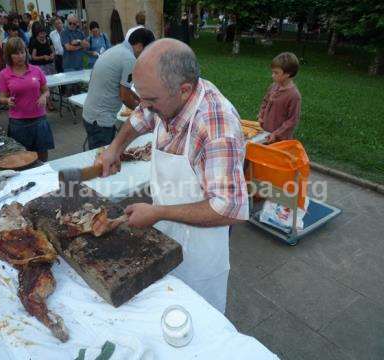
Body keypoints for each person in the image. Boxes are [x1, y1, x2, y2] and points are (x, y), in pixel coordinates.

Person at [98, 39, 248, 313]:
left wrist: (159, 212)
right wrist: (115, 148)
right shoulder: (162, 98)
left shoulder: (217, 129)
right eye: (141, 96)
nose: (144, 105)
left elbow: (230, 209)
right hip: (164, 230)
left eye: (151, 100)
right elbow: (139, 118)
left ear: (184, 90)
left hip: (200, 251)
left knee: (196, 321)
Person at [83, 28, 155, 150]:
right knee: (102, 162)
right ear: (139, 46)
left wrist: (140, 99)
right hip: (100, 120)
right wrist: (142, 110)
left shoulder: (117, 49)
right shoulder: (129, 59)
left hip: (91, 115)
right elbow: (124, 96)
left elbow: (124, 88)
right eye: (147, 51)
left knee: (102, 157)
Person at [0, 37, 54, 162]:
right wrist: (7, 101)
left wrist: (44, 96)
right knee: (23, 157)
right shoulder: (4, 74)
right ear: (9, 55)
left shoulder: (36, 70)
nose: (20, 56)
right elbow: (2, 97)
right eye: (16, 53)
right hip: (18, 123)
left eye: (22, 52)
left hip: (39, 119)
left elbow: (46, 90)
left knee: (42, 154)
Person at [257, 52, 301, 143]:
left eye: (276, 73)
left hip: (280, 139)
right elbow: (265, 101)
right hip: (265, 133)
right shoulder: (273, 86)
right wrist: (261, 115)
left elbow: (292, 120)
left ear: (287, 74)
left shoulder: (294, 95)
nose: (272, 75)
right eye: (272, 72)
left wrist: (276, 134)